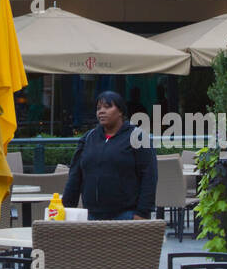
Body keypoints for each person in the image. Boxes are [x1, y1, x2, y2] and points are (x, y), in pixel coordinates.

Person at [63, 91, 157, 220]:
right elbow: (75, 177)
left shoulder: (139, 137)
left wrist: (142, 213)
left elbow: (149, 177)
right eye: (98, 108)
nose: (101, 111)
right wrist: (66, 210)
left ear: (121, 112)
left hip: (126, 215)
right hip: (91, 216)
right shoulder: (88, 138)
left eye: (107, 107)